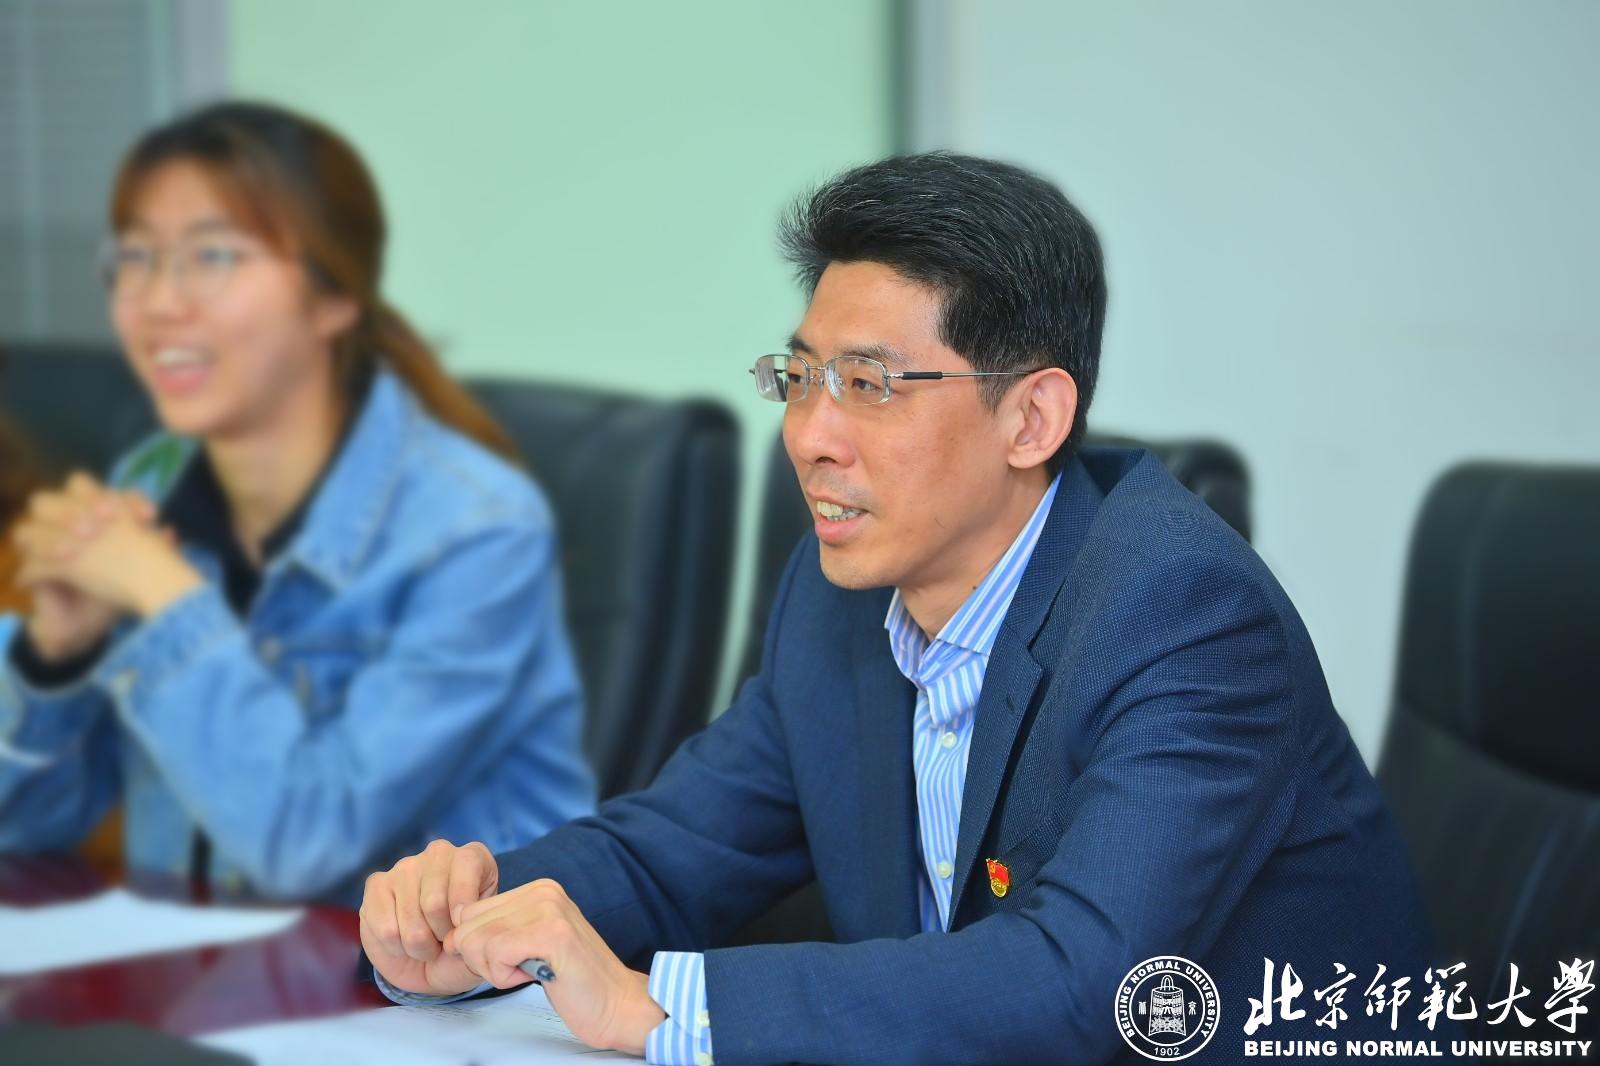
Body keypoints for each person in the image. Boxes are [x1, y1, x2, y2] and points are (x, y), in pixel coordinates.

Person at [359, 153, 1439, 1064]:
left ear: (1031, 418)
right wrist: (467, 920)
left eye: (869, 385)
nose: (807, 436)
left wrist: (658, 1008)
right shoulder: (842, 592)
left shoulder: (1183, 615)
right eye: (799, 377)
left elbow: (1081, 979)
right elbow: (670, 850)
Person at [0, 102, 595, 902]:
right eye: (136, 258)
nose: (158, 301)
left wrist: (164, 597)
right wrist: (54, 658)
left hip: (434, 975)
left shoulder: (479, 527)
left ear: (333, 297)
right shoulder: (152, 481)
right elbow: (27, 830)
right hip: (203, 965)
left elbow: (310, 842)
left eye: (212, 255)